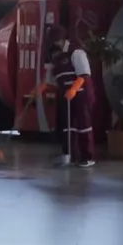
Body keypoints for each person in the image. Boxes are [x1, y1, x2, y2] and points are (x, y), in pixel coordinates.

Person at [45, 24, 95, 168]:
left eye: (58, 40)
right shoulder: (55, 57)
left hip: (80, 94)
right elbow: (51, 80)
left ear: (63, 38)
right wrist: (41, 88)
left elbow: (84, 74)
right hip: (65, 96)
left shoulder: (76, 52)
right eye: (54, 41)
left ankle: (87, 157)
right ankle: (70, 155)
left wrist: (73, 89)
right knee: (68, 127)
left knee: (83, 125)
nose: (56, 43)